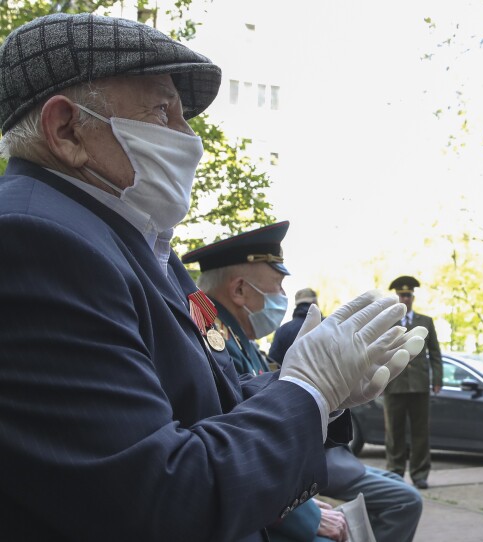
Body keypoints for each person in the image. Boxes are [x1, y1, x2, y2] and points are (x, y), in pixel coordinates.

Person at [0, 13, 424, 540]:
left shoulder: (141, 244)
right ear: (66, 130)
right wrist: (305, 391)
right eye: (163, 111)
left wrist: (318, 393)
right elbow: (160, 496)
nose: (189, 139)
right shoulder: (34, 240)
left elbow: (214, 393)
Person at [183, 223, 350, 542]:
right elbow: (241, 440)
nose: (283, 298)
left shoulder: (235, 336)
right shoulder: (211, 334)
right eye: (277, 285)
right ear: (239, 290)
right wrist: (307, 515)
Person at [267, 285, 424, 541]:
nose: (280, 290)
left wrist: (331, 404)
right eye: (276, 280)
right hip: (305, 465)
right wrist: (309, 393)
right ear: (238, 288)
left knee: (400, 484)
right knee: (406, 499)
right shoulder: (228, 340)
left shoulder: (278, 333)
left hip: (321, 457)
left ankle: (416, 473)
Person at [383, 276, 443, 489]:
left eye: (408, 295)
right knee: (394, 431)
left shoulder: (425, 321)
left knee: (420, 432)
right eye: (401, 295)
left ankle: (420, 474)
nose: (405, 298)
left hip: (418, 385)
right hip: (394, 384)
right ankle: (396, 472)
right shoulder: (388, 322)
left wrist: (437, 379)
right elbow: (379, 353)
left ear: (413, 298)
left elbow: (435, 353)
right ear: (396, 298)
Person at [269, 287, 320, 365]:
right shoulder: (325, 325)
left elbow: (272, 363)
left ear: (297, 305)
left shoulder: (282, 331)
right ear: (315, 302)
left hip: (288, 376)